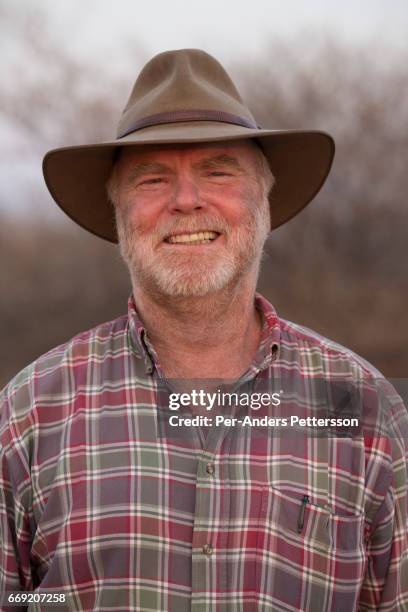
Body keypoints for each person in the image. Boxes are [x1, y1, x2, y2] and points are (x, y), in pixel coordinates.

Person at [0, 49, 407, 611]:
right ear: (119, 212)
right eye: (152, 177)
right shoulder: (26, 415)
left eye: (218, 171)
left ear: (264, 203)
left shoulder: (361, 407)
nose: (186, 200)